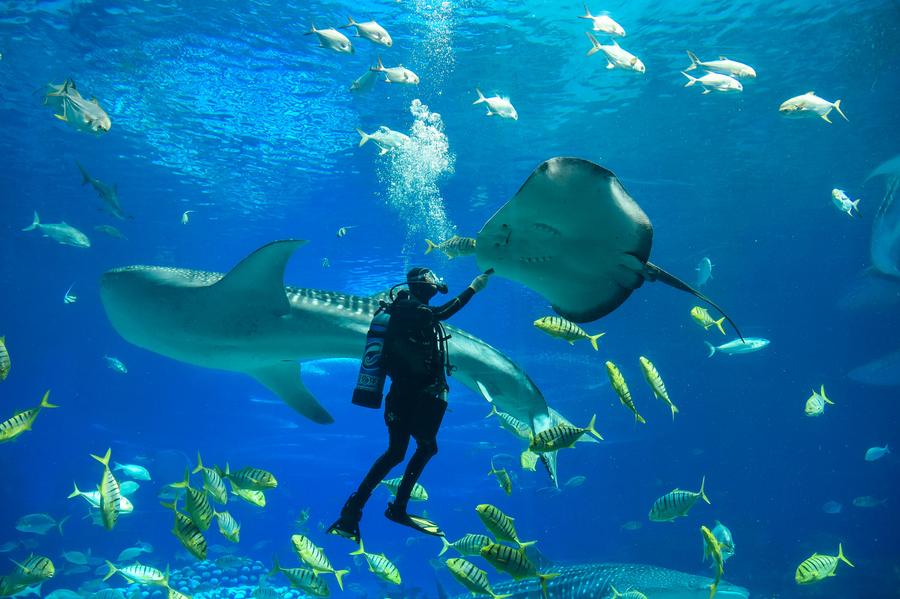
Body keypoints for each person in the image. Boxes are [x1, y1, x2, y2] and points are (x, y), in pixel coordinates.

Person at [328, 267, 491, 542]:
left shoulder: (406, 309)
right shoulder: (408, 309)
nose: (434, 282)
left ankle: (354, 510)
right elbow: (442, 313)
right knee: (421, 448)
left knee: (397, 452)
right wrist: (475, 287)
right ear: (418, 283)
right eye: (430, 278)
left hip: (408, 396)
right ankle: (394, 509)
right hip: (412, 398)